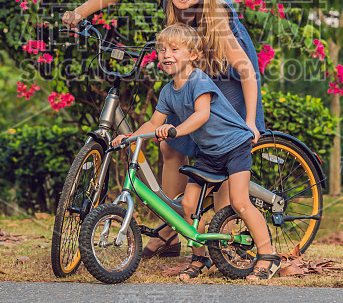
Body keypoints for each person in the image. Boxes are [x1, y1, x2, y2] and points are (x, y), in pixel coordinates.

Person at [62, 0, 266, 257]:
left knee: (224, 154)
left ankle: (224, 245)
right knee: (170, 145)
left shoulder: (216, 14)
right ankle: (169, 233)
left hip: (231, 79)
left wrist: (249, 120)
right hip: (195, 70)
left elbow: (246, 69)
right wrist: (80, 13)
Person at [111, 24, 280, 281]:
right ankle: (201, 257)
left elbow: (203, 114)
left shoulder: (198, 79)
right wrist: (129, 137)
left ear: (192, 55)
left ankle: (268, 255)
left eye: (174, 49)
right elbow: (154, 124)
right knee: (188, 205)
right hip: (209, 153)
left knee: (240, 202)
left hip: (235, 145)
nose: (166, 54)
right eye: (161, 50)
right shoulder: (168, 91)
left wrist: (176, 131)